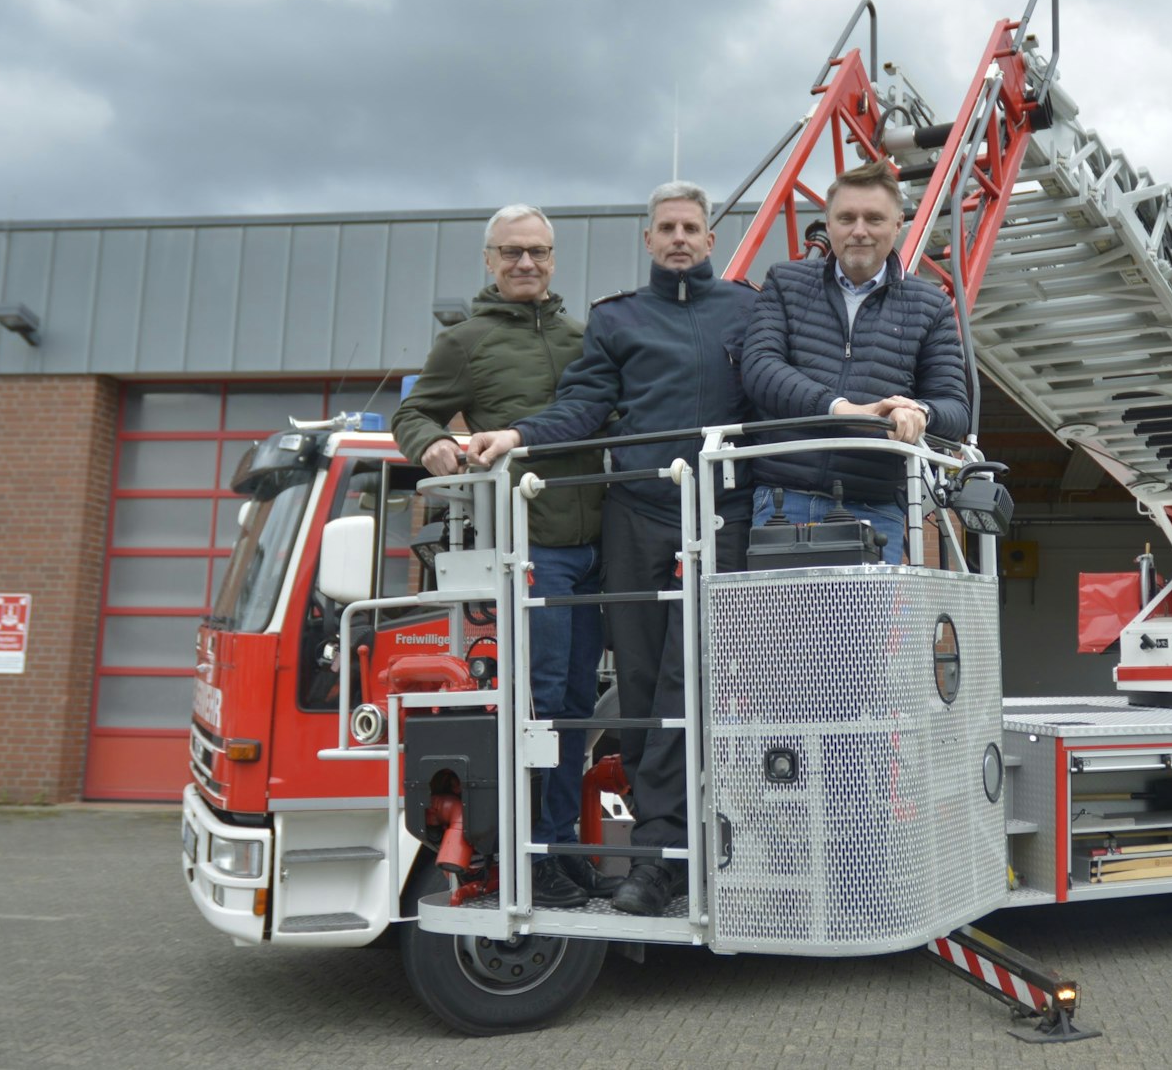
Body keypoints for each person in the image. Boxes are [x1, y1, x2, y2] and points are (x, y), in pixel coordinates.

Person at [471, 181, 757, 917]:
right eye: (667, 227)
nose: (681, 238)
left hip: (722, 515)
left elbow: (779, 388)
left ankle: (699, 847)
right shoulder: (617, 320)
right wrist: (520, 435)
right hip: (637, 514)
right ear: (649, 239)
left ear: (711, 239)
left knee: (693, 684)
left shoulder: (749, 310)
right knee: (638, 694)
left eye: (693, 226)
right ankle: (661, 859)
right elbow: (584, 402)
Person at [389, 204, 616, 909]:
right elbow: (412, 412)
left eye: (539, 252)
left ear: (554, 258)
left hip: (598, 548)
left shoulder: (587, 337)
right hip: (532, 548)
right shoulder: (465, 342)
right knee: (540, 700)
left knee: (580, 705)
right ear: (488, 259)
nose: (527, 263)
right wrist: (427, 439)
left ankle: (560, 844)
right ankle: (532, 854)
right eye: (513, 252)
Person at [739, 158, 970, 564]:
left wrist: (919, 412)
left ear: (898, 225)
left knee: (863, 632)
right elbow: (759, 368)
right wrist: (844, 410)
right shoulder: (784, 283)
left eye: (874, 218)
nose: (859, 230)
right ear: (828, 224)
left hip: (874, 507)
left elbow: (954, 406)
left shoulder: (930, 305)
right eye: (846, 217)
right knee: (782, 631)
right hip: (780, 503)